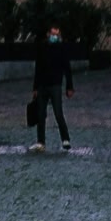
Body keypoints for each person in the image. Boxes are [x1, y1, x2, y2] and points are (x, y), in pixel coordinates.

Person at [29, 24, 74, 152]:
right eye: (53, 34)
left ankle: (65, 139)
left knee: (58, 113)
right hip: (43, 85)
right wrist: (35, 87)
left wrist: (69, 87)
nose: (55, 37)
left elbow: (67, 68)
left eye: (57, 34)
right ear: (48, 34)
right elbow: (38, 68)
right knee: (40, 114)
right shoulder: (42, 48)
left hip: (55, 85)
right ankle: (41, 141)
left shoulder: (61, 48)